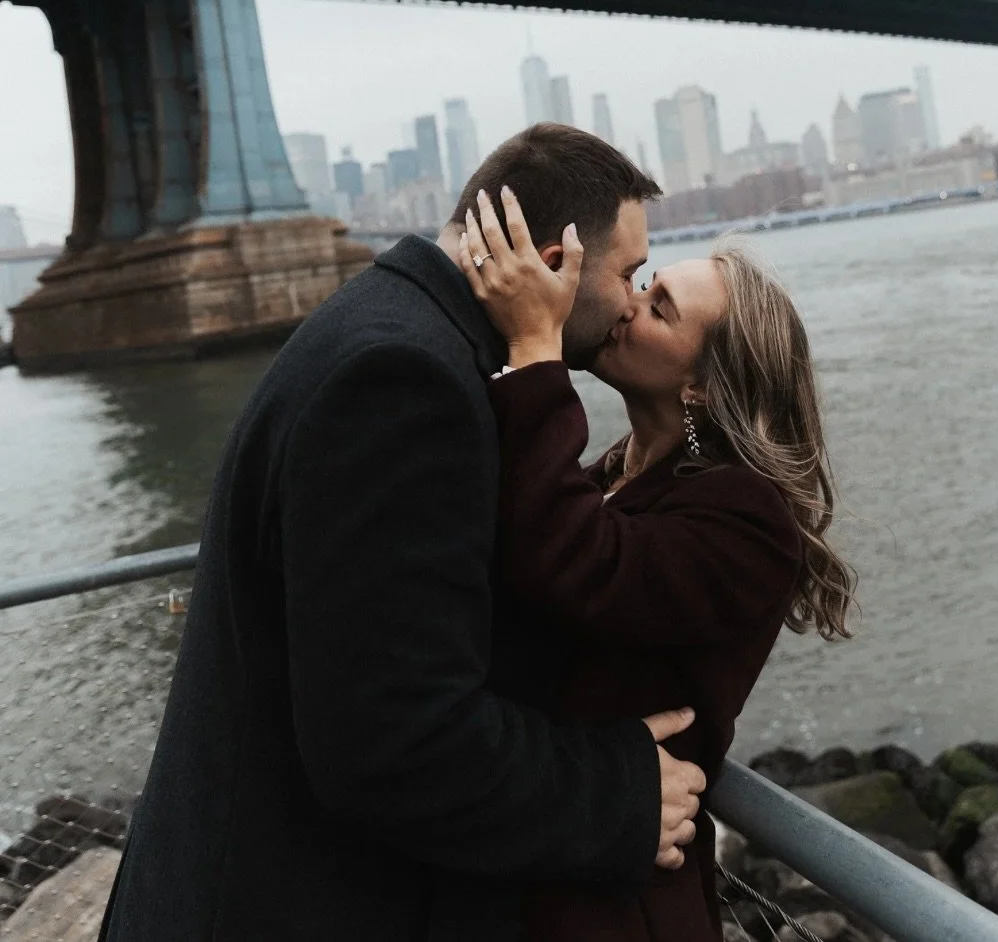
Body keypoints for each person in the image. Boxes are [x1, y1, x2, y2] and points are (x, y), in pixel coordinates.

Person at [98, 125, 707, 942]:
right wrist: (618, 796)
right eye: (630, 273)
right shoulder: (405, 382)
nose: (634, 301)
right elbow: (393, 740)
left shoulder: (391, 326)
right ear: (551, 260)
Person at [459, 187, 857, 941]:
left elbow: (572, 567)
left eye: (661, 306)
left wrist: (535, 352)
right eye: (642, 284)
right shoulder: (616, 471)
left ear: (703, 385)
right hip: (555, 846)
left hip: (614, 901)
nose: (628, 305)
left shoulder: (747, 519)